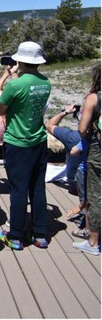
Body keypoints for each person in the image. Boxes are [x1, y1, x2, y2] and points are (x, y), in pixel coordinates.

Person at [0, 41, 52, 250]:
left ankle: (16, 235)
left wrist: (10, 76)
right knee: (37, 187)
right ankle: (40, 233)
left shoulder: (15, 85)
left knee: (18, 190)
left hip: (17, 142)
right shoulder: (46, 82)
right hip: (38, 140)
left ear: (19, 60)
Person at [74, 66, 101, 255]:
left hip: (97, 149)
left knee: (95, 194)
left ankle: (93, 241)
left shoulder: (94, 98)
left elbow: (82, 129)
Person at [45, 104, 88, 195]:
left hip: (77, 185)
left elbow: (50, 125)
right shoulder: (95, 139)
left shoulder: (72, 137)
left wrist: (66, 112)